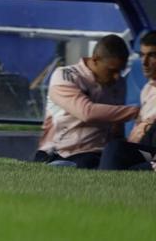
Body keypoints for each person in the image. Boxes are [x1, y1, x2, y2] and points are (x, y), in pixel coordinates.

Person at [34, 35, 138, 169]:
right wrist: (136, 112)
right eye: (111, 70)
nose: (117, 76)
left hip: (99, 154)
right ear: (95, 59)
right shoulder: (65, 76)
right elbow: (86, 112)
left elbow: (117, 127)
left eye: (120, 70)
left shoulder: (119, 83)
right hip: (61, 153)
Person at [98, 31, 156, 170]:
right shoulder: (147, 89)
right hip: (143, 150)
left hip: (150, 152)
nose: (144, 62)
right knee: (109, 152)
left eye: (152, 55)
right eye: (142, 55)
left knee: (116, 149)